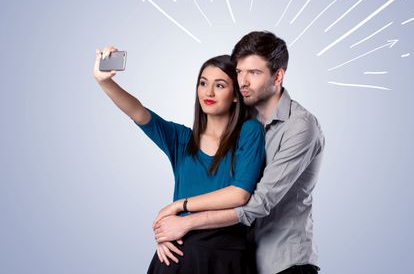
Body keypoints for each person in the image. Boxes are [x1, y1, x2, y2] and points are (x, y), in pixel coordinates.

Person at [152, 31, 326, 274]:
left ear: (278, 76)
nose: (243, 81)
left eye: (253, 73)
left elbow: (258, 203)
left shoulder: (299, 126)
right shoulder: (243, 121)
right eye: (239, 72)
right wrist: (169, 232)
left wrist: (185, 220)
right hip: (241, 260)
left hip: (284, 262)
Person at [93, 48, 266, 273]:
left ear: (235, 95)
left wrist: (178, 206)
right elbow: (137, 112)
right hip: (178, 256)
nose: (209, 92)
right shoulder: (182, 139)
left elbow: (239, 194)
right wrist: (104, 82)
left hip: (228, 257)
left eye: (220, 85)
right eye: (203, 83)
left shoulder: (249, 131)